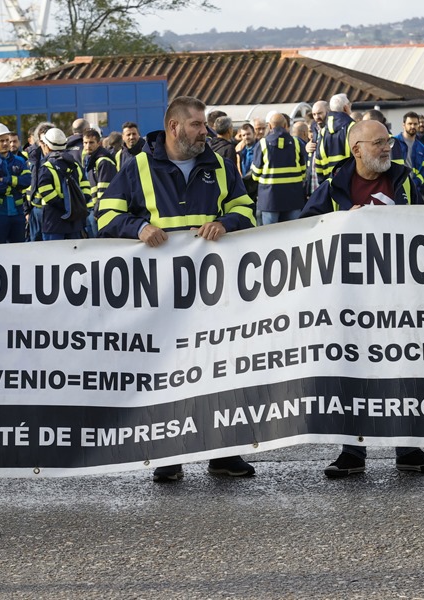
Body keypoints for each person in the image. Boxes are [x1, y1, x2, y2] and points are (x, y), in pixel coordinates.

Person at [97, 96, 256, 481]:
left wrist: (226, 223)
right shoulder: (136, 167)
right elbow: (105, 215)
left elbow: (246, 209)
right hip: (160, 295)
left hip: (213, 290)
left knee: (220, 367)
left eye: (204, 125)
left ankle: (223, 453)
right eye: (198, 125)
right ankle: (169, 454)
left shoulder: (217, 164)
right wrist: (138, 228)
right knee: (167, 370)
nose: (206, 131)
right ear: (174, 127)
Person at [300, 120, 424, 477]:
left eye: (388, 141)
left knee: (402, 368)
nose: (386, 148)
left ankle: (408, 449)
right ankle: (353, 452)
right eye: (377, 143)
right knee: (353, 371)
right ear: (356, 149)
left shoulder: (405, 180)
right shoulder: (334, 186)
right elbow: (304, 229)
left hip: (399, 295)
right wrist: (339, 223)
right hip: (351, 299)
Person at [33, 127, 92, 241]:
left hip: (53, 222)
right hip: (75, 222)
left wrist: (65, 205)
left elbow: (46, 192)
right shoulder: (75, 165)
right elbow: (86, 189)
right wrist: (75, 205)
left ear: (47, 146)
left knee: (54, 257)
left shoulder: (47, 167)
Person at [251, 112, 307, 224]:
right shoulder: (296, 143)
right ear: (286, 125)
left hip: (269, 200)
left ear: (270, 126)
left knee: (270, 237)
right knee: (293, 236)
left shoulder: (263, 144)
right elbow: (303, 172)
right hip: (293, 198)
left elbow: (255, 175)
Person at [0, 123, 31, 244]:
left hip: (17, 213)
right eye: (1, 141)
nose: (6, 143)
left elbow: (27, 180)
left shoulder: (20, 160)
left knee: (18, 249)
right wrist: (16, 183)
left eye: (7, 140)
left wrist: (7, 180)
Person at [82, 128, 117, 238]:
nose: (88, 146)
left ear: (99, 143)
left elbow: (104, 190)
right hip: (92, 210)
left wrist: (98, 212)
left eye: (91, 142)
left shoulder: (103, 161)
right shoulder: (90, 160)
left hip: (100, 212)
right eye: (85, 143)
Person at [314, 93, 355, 183]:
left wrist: (323, 183)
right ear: (346, 108)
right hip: (351, 181)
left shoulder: (324, 131)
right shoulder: (352, 127)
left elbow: (318, 160)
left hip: (330, 182)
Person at [394, 111, 424, 199]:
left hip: (414, 188)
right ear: (404, 125)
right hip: (397, 187)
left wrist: (417, 181)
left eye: (415, 124)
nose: (413, 126)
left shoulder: (421, 148)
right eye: (410, 124)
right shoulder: (395, 142)